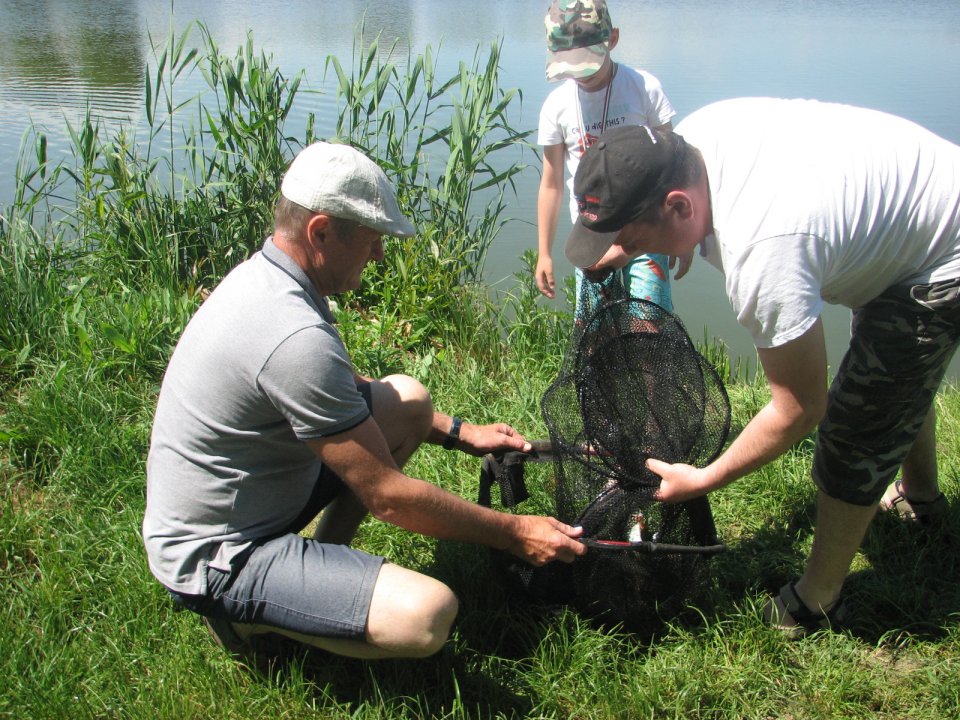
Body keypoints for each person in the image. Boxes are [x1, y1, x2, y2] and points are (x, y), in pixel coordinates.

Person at [142, 141, 586, 666]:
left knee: (410, 401)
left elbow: (337, 383)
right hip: (218, 555)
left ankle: (321, 571)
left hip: (257, 496)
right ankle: (247, 620)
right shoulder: (291, 334)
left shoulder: (269, 279)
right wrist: (514, 532)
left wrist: (460, 431)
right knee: (427, 615)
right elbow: (389, 498)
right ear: (321, 231)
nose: (378, 255)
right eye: (372, 241)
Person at [563, 98, 960, 637]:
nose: (628, 252)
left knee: (857, 421)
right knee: (895, 375)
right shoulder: (692, 140)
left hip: (945, 251)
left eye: (631, 240)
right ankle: (921, 502)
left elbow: (799, 408)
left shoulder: (762, 250)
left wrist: (705, 478)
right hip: (915, 208)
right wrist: (646, 243)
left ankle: (816, 602)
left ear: (679, 207)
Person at [535, 0, 676, 318]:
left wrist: (674, 230)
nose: (580, 76)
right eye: (570, 67)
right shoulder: (556, 106)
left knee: (650, 322)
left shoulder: (643, 89)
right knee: (595, 328)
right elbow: (552, 184)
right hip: (590, 239)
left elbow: (674, 165)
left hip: (646, 232)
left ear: (612, 39)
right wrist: (544, 252)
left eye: (587, 65)